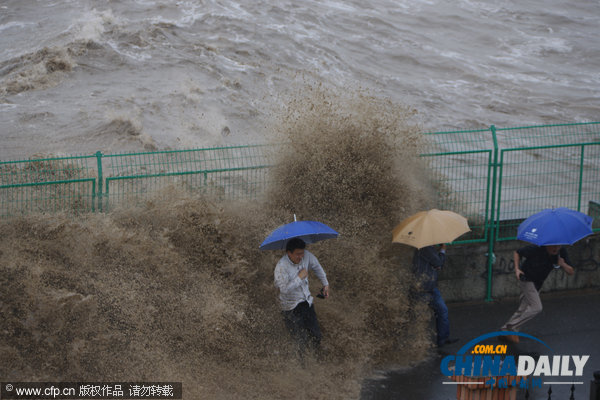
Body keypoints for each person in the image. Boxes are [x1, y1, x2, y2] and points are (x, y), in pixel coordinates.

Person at [500, 244, 574, 343]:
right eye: (553, 246)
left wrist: (563, 264)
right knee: (536, 307)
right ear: (547, 244)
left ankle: (504, 330)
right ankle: (512, 326)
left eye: (558, 246)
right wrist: (517, 269)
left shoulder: (561, 252)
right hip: (526, 279)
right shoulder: (536, 248)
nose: (555, 249)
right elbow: (517, 252)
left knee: (523, 308)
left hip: (538, 283)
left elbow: (571, 271)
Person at [273, 238, 330, 355]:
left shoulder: (307, 256)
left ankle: (316, 362)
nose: (301, 257)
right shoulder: (281, 267)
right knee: (300, 340)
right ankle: (301, 369)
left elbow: (317, 267)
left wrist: (325, 284)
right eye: (297, 254)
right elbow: (284, 290)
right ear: (289, 253)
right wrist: (299, 278)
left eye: (302, 253)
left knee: (316, 336)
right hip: (290, 308)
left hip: (306, 302)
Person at [412, 244, 458, 347]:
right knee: (419, 317)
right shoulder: (425, 247)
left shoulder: (429, 248)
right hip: (422, 289)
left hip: (431, 288)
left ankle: (443, 339)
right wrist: (443, 250)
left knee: (442, 311)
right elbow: (439, 263)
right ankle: (416, 345)